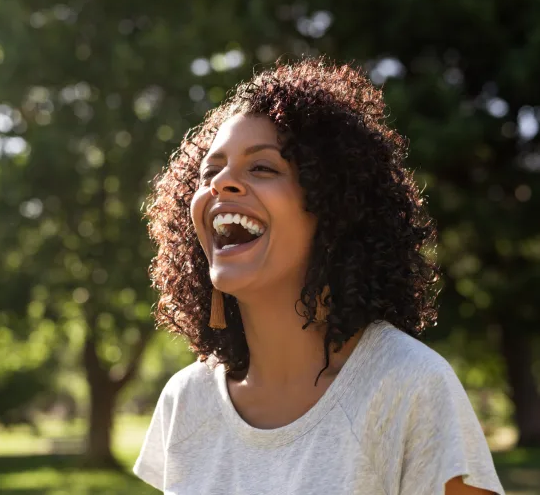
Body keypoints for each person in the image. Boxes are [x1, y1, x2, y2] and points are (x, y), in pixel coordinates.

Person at [133, 57, 505, 494]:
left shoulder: (409, 386)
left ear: (334, 209)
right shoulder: (186, 401)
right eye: (209, 172)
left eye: (263, 168)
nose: (221, 184)